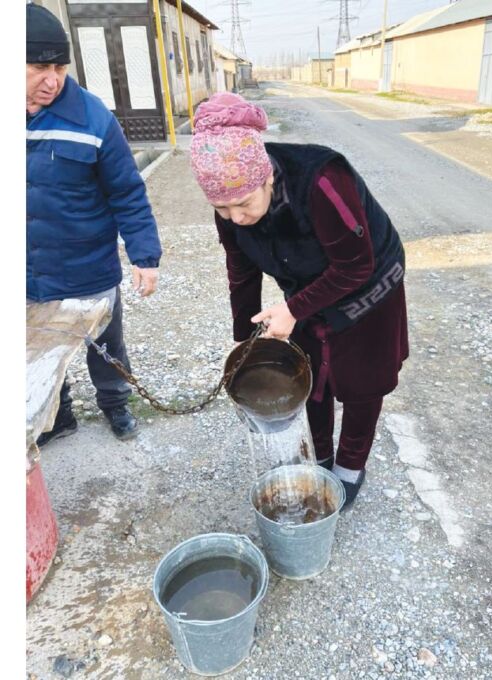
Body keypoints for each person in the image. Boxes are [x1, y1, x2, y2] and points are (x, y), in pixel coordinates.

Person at [189, 93, 408, 509]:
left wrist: (292, 309)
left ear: (267, 177)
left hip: (371, 278)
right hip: (307, 283)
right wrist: (245, 337)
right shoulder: (232, 208)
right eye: (221, 207)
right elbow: (242, 271)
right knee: (311, 374)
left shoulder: (322, 180)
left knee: (363, 382)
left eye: (243, 203)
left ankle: (349, 467)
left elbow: (355, 266)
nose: (236, 217)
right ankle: (320, 456)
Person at [27, 4, 161, 445]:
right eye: (40, 66)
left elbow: (127, 190)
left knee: (105, 346)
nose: (54, 79)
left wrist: (144, 255)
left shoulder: (92, 117)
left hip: (88, 268)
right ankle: (57, 414)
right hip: (28, 272)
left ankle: (116, 404)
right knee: (42, 351)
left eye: (60, 66)